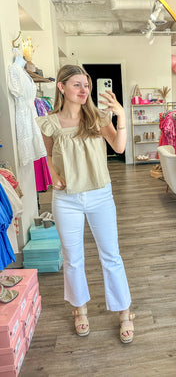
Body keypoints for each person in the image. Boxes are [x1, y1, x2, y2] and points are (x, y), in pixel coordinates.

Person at [36, 64, 134, 343]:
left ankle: (124, 311)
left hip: (100, 195)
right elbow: (47, 153)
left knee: (111, 255)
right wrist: (54, 175)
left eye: (86, 85)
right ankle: (80, 310)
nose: (83, 90)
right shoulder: (50, 122)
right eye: (77, 84)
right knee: (73, 258)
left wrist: (121, 116)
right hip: (66, 199)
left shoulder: (97, 118)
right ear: (61, 87)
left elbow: (119, 147)